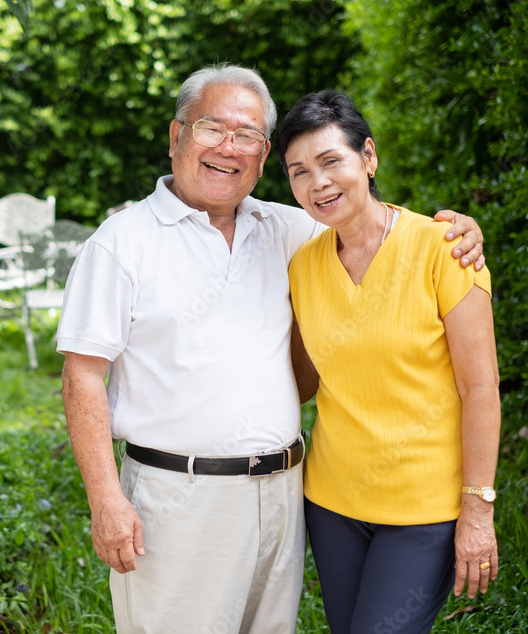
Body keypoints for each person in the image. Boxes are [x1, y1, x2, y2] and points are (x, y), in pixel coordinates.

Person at [57, 65, 485, 634]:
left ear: (262, 158)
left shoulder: (292, 231)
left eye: (249, 137)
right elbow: (82, 377)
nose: (228, 148)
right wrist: (105, 500)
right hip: (177, 502)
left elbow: (367, 222)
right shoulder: (121, 244)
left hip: (284, 497)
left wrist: (457, 230)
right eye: (213, 128)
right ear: (175, 136)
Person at [274, 89, 500, 633]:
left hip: (424, 507)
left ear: (368, 157)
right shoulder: (303, 264)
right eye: (299, 171)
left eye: (331, 161)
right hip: (331, 502)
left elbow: (481, 389)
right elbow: (304, 379)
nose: (318, 182)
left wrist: (478, 507)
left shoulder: (445, 249)